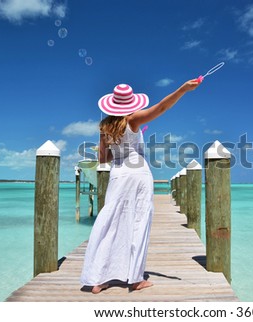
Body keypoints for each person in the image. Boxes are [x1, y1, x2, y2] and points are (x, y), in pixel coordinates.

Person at [80, 79, 201, 294]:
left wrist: (118, 149)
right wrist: (183, 89)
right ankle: (135, 279)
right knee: (138, 222)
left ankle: (98, 279)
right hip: (137, 175)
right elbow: (162, 107)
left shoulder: (105, 126)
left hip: (118, 175)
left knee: (110, 222)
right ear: (130, 104)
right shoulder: (133, 119)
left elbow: (102, 159)